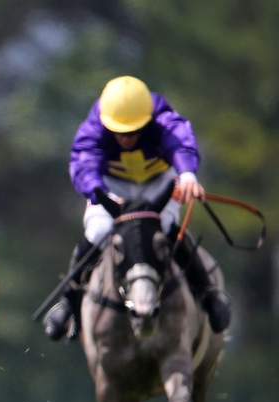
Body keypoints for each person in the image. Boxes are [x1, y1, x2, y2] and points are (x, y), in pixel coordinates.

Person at [43, 75, 231, 341]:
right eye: (119, 131)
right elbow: (84, 158)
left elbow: (179, 140)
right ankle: (69, 302)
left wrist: (187, 173)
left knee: (164, 228)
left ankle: (207, 291)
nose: (125, 137)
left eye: (132, 131)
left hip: (156, 184)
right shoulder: (97, 122)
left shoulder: (159, 115)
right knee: (98, 231)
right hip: (112, 187)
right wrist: (97, 191)